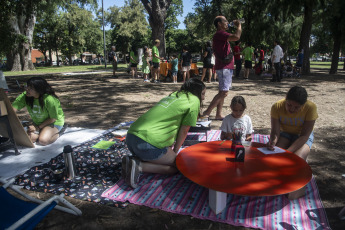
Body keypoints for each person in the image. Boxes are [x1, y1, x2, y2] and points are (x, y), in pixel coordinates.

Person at [123, 78, 206, 188]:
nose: (204, 97)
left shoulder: (175, 94)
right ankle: (140, 166)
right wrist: (175, 152)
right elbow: (185, 129)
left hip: (130, 137)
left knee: (163, 157)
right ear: (197, 92)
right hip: (148, 143)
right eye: (203, 94)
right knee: (179, 166)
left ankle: (134, 160)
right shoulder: (194, 100)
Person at [267, 86, 318, 199]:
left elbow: (305, 135)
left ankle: (297, 189)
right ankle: (277, 182)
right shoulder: (277, 106)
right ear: (286, 99)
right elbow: (275, 131)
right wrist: (273, 141)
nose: (292, 109)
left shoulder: (311, 108)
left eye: (296, 107)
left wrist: (288, 152)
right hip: (285, 133)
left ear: (303, 105)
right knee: (275, 156)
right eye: (289, 105)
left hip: (302, 136)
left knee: (297, 158)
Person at [202, 16, 242, 120]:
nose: (227, 23)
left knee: (222, 92)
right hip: (224, 67)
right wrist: (239, 25)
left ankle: (218, 114)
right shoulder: (220, 33)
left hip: (224, 67)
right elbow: (237, 37)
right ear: (219, 23)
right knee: (224, 92)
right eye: (225, 21)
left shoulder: (220, 35)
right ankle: (207, 112)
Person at [12, 77, 65, 146]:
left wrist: (38, 127)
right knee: (30, 140)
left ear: (39, 89)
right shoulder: (25, 96)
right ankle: (42, 132)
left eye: (31, 88)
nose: (27, 89)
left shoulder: (49, 99)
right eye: (27, 86)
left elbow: (53, 118)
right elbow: (12, 109)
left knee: (43, 141)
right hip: (38, 123)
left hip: (54, 122)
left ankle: (59, 132)